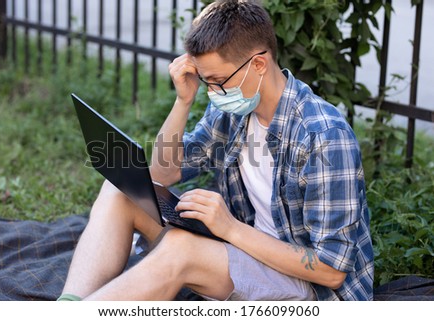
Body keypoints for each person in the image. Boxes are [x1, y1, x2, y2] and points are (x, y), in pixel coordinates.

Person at [59, 0, 373, 301]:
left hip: (313, 289)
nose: (213, 93)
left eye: (218, 81)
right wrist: (183, 101)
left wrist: (230, 228)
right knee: (120, 190)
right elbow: (162, 174)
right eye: (207, 82)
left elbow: (332, 271)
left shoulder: (324, 136)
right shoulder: (233, 108)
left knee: (180, 249)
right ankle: (70, 305)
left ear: (259, 64)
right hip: (247, 250)